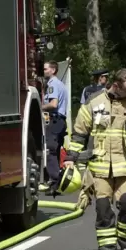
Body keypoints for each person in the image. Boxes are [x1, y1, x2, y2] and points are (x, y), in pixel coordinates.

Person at [65, 68, 126, 250]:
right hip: (100, 167)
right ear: (115, 85)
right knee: (103, 209)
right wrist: (71, 157)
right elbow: (80, 133)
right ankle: (106, 247)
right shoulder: (94, 102)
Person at [40, 60, 69, 192]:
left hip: (55, 120)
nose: (44, 71)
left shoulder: (53, 84)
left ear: (53, 70)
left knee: (50, 151)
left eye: (45, 69)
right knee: (56, 151)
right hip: (60, 121)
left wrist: (39, 107)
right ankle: (57, 183)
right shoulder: (60, 84)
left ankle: (54, 181)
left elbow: (53, 104)